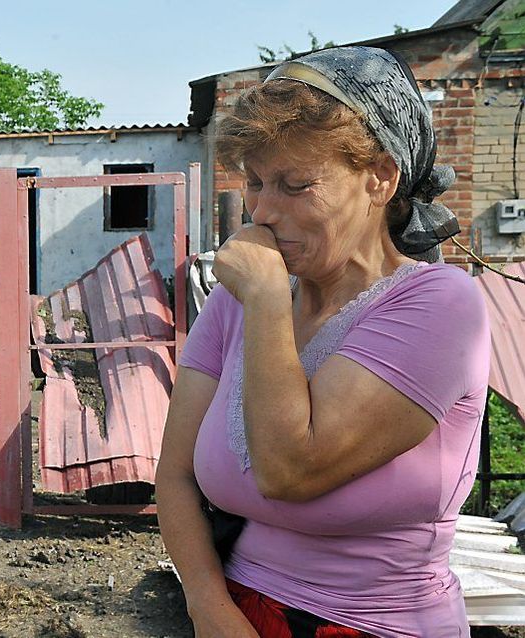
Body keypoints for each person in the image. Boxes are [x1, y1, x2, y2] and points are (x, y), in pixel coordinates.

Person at [155, 46, 491, 638]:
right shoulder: (238, 300)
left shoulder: (438, 305)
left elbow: (291, 471)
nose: (263, 211)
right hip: (234, 610)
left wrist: (265, 303)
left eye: (295, 184)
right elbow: (175, 475)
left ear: (380, 178)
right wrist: (209, 610)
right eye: (256, 183)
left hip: (374, 624)